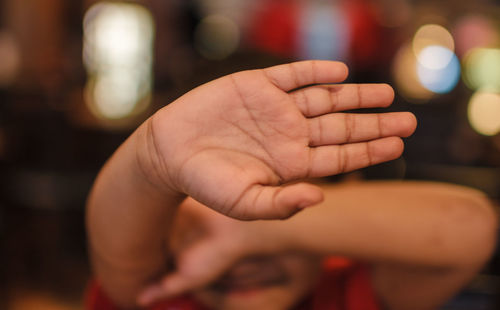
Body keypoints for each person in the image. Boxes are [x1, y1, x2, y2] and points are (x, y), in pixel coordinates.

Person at [85, 60, 497, 309]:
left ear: (349, 192)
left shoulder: (343, 292)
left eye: (281, 201)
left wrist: (248, 234)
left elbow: (472, 226)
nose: (240, 261)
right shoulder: (158, 291)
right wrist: (155, 159)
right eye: (203, 218)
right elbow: (115, 237)